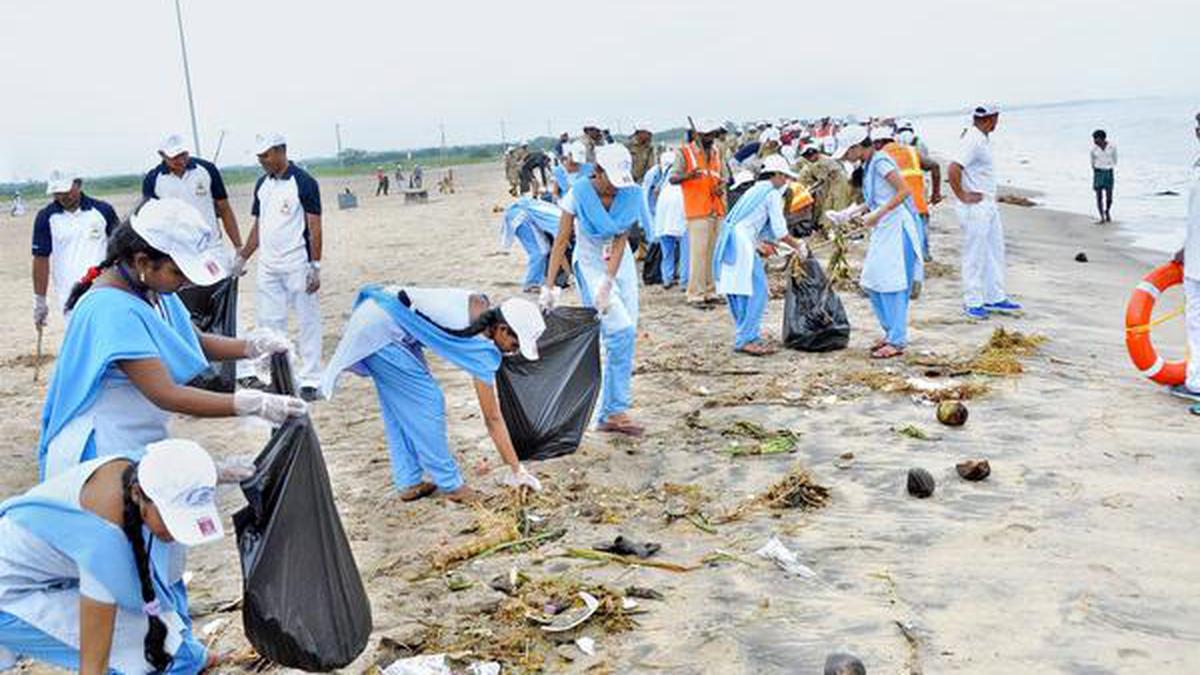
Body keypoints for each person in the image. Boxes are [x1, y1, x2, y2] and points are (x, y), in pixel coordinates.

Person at [39, 198, 306, 480]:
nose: (186, 281)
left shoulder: (153, 289)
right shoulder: (111, 309)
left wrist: (253, 346)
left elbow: (194, 341)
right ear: (143, 261)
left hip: (139, 432)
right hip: (103, 444)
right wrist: (253, 404)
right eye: (179, 272)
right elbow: (166, 393)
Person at [0, 439, 227, 674]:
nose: (174, 533)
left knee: (179, 655)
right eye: (171, 520)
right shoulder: (103, 540)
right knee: (148, 661)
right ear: (138, 493)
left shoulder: (142, 470)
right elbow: (93, 664)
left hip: (49, 577)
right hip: (10, 596)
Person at [322, 287, 546, 502]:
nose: (513, 351)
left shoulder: (480, 305)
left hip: (383, 318)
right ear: (502, 329)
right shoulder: (481, 349)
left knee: (400, 406)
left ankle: (408, 481)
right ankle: (451, 485)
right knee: (427, 402)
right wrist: (517, 470)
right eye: (514, 344)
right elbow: (492, 418)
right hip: (380, 329)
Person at [543, 144, 652, 436]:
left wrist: (609, 281)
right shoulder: (577, 195)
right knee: (620, 330)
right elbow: (561, 241)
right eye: (610, 182)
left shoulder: (630, 193)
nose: (615, 189)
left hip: (620, 264)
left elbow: (619, 240)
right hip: (590, 261)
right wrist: (550, 285)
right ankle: (614, 410)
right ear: (598, 172)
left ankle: (611, 409)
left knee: (625, 332)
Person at [233, 133, 325, 400]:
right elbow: (258, 226)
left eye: (267, 155)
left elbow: (314, 226)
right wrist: (243, 256)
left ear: (281, 151)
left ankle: (310, 378)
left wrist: (315, 265)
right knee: (270, 323)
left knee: (307, 319)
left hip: (297, 262)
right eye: (259, 156)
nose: (262, 160)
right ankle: (280, 376)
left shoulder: (304, 182)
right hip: (269, 265)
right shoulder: (262, 184)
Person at [833, 125, 923, 359]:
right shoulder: (869, 165)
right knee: (873, 281)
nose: (846, 158)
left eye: (847, 153)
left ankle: (897, 339)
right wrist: (848, 213)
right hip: (884, 227)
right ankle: (890, 331)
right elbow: (874, 200)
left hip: (897, 226)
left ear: (857, 147)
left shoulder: (882, 162)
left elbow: (904, 192)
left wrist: (878, 214)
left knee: (893, 282)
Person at [713, 156, 808, 355]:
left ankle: (745, 333)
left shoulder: (755, 190)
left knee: (737, 289)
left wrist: (764, 243)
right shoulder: (771, 193)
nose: (786, 182)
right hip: (742, 243)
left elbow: (754, 223)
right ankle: (746, 338)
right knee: (757, 291)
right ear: (777, 175)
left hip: (734, 239)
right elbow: (780, 231)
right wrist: (798, 245)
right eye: (785, 177)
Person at [948, 105, 1022, 319]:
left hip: (987, 204)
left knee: (994, 251)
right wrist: (962, 195)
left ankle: (994, 297)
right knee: (975, 254)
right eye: (997, 118)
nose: (997, 122)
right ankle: (972, 301)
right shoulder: (973, 140)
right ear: (992, 118)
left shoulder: (981, 138)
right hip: (975, 207)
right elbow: (954, 168)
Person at [32, 170, 119, 328]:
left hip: (104, 286)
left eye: (66, 190)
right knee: (79, 334)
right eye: (57, 192)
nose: (63, 196)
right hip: (69, 292)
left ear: (78, 184)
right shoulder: (45, 217)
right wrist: (40, 300)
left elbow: (120, 249)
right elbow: (40, 259)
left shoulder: (103, 211)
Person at [141, 134, 242, 253]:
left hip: (212, 246)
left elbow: (224, 208)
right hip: (177, 252)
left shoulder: (207, 169)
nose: (181, 161)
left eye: (183, 154)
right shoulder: (152, 179)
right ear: (162, 155)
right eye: (175, 157)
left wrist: (238, 246)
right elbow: (151, 221)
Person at [671, 118, 729, 308]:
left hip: (716, 208)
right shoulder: (685, 152)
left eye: (713, 134)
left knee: (713, 253)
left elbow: (725, 177)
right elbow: (673, 177)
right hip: (697, 210)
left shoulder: (717, 152)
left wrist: (721, 187)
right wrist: (689, 176)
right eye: (707, 135)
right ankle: (695, 294)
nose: (711, 138)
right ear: (699, 135)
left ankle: (710, 290)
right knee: (699, 254)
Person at [876, 126, 942, 262]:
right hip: (918, 206)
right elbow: (935, 166)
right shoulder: (912, 151)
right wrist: (936, 194)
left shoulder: (879, 158)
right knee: (921, 251)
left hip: (897, 210)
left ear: (878, 143)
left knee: (901, 253)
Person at [1170, 112, 1200, 407]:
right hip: (1194, 255)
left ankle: (1198, 384)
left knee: (1197, 322)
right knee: (1195, 322)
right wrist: (1184, 247)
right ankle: (1195, 380)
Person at [500, 197, 563, 292]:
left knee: (543, 249)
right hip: (521, 216)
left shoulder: (563, 215)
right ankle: (532, 283)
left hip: (520, 213)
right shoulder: (560, 223)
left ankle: (537, 280)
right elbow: (559, 248)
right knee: (540, 251)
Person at [647, 151, 687, 289]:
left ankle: (667, 279)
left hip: (663, 211)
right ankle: (684, 280)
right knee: (685, 249)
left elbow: (653, 193)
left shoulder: (662, 179)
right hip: (681, 206)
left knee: (667, 250)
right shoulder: (682, 176)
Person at [1091, 129, 1117, 223]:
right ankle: (1101, 216)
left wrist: (1109, 167)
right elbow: (1092, 162)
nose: (1094, 141)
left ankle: (1107, 211)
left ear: (1102, 139)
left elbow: (1115, 159)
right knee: (1099, 196)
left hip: (1108, 172)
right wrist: (1096, 171)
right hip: (1098, 172)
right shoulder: (1094, 149)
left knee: (1109, 196)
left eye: (1096, 139)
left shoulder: (1112, 147)